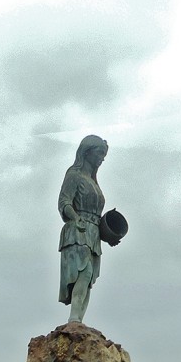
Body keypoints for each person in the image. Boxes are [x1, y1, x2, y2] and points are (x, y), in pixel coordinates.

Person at [58, 135, 114, 323]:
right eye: (99, 153)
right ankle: (73, 319)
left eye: (104, 155)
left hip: (94, 234)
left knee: (89, 281)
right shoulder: (74, 175)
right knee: (84, 272)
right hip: (77, 230)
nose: (102, 158)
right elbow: (64, 202)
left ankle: (79, 319)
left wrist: (109, 234)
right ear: (87, 152)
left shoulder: (94, 182)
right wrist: (75, 218)